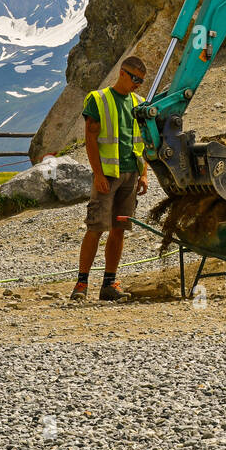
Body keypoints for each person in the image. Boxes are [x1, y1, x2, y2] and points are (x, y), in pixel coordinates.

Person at [70, 55, 149, 301]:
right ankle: (81, 284)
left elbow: (142, 141)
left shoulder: (139, 102)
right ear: (123, 73)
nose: (138, 84)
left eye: (142, 81)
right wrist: (98, 174)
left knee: (119, 230)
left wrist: (144, 173)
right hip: (108, 176)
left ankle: (109, 283)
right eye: (135, 79)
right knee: (96, 227)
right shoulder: (98, 99)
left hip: (130, 175)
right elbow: (91, 139)